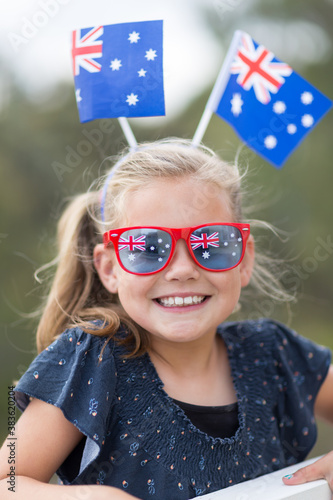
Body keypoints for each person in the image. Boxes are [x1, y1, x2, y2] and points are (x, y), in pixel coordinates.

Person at [0, 138, 332, 499]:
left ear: (244, 259)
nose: (183, 270)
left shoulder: (272, 352)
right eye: (148, 249)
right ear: (110, 268)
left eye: (211, 243)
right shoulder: (94, 361)